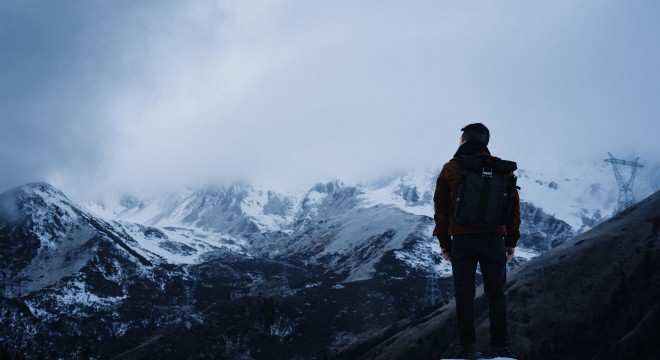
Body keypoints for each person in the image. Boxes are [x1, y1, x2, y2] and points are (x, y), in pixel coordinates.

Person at [433, 123, 521, 359]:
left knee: (464, 294)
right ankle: (500, 347)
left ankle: (466, 347)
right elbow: (514, 209)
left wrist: (444, 242)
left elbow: (441, 209)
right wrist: (510, 242)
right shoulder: (503, 170)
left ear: (463, 141)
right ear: (485, 143)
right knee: (496, 293)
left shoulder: (452, 168)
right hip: (494, 239)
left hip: (463, 239)